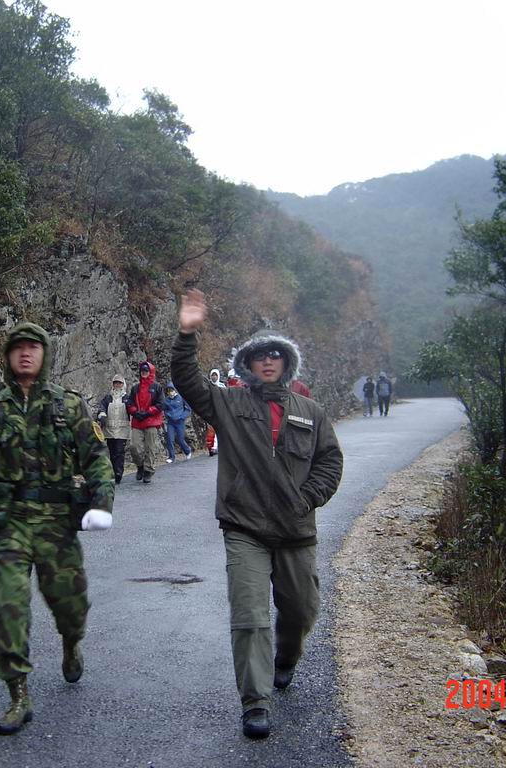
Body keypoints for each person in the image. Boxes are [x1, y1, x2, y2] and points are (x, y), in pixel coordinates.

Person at [171, 290, 343, 740]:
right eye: (259, 356)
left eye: (275, 355)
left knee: (301, 610)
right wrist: (187, 333)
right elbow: (186, 379)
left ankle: (286, 659)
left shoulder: (311, 412)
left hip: (296, 529)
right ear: (247, 365)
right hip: (244, 527)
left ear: (287, 363)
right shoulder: (229, 403)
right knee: (250, 617)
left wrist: (308, 497)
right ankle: (255, 702)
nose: (268, 361)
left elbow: (330, 461)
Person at [0, 322, 115, 736]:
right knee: (6, 607)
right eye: (18, 347)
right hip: (8, 524)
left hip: (56, 524)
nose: (25, 353)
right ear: (7, 356)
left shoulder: (68, 405)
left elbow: (96, 457)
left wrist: (102, 504)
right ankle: (18, 694)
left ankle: (71, 643)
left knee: (70, 604)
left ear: (45, 354)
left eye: (33, 347)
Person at [127, 361, 164, 483]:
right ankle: (140, 466)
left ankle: (148, 471)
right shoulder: (135, 388)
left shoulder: (157, 387)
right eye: (142, 371)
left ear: (150, 372)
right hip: (138, 421)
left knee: (150, 448)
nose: (144, 373)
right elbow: (129, 403)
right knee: (134, 447)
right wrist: (135, 412)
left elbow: (160, 404)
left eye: (146, 371)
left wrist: (148, 412)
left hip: (151, 421)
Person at [97, 373, 131, 484]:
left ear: (123, 384)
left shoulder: (127, 398)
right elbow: (102, 408)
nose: (117, 385)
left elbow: (132, 410)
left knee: (119, 452)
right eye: (115, 383)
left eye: (119, 383)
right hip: (109, 430)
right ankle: (112, 472)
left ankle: (118, 473)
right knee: (112, 452)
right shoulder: (108, 397)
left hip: (122, 431)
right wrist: (102, 415)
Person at [161, 382, 193, 463]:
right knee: (170, 439)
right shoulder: (166, 400)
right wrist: (167, 415)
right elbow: (164, 409)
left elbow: (188, 409)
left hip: (180, 422)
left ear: (175, 390)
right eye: (168, 391)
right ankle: (171, 457)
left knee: (180, 439)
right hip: (171, 422)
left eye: (171, 390)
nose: (170, 392)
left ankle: (187, 451)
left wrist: (182, 417)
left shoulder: (181, 398)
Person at [205, 368, 226, 455]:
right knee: (211, 430)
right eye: (212, 375)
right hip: (211, 410)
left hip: (221, 410)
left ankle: (217, 446)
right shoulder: (207, 386)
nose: (214, 377)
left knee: (220, 429)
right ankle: (212, 447)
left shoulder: (222, 386)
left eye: (215, 375)